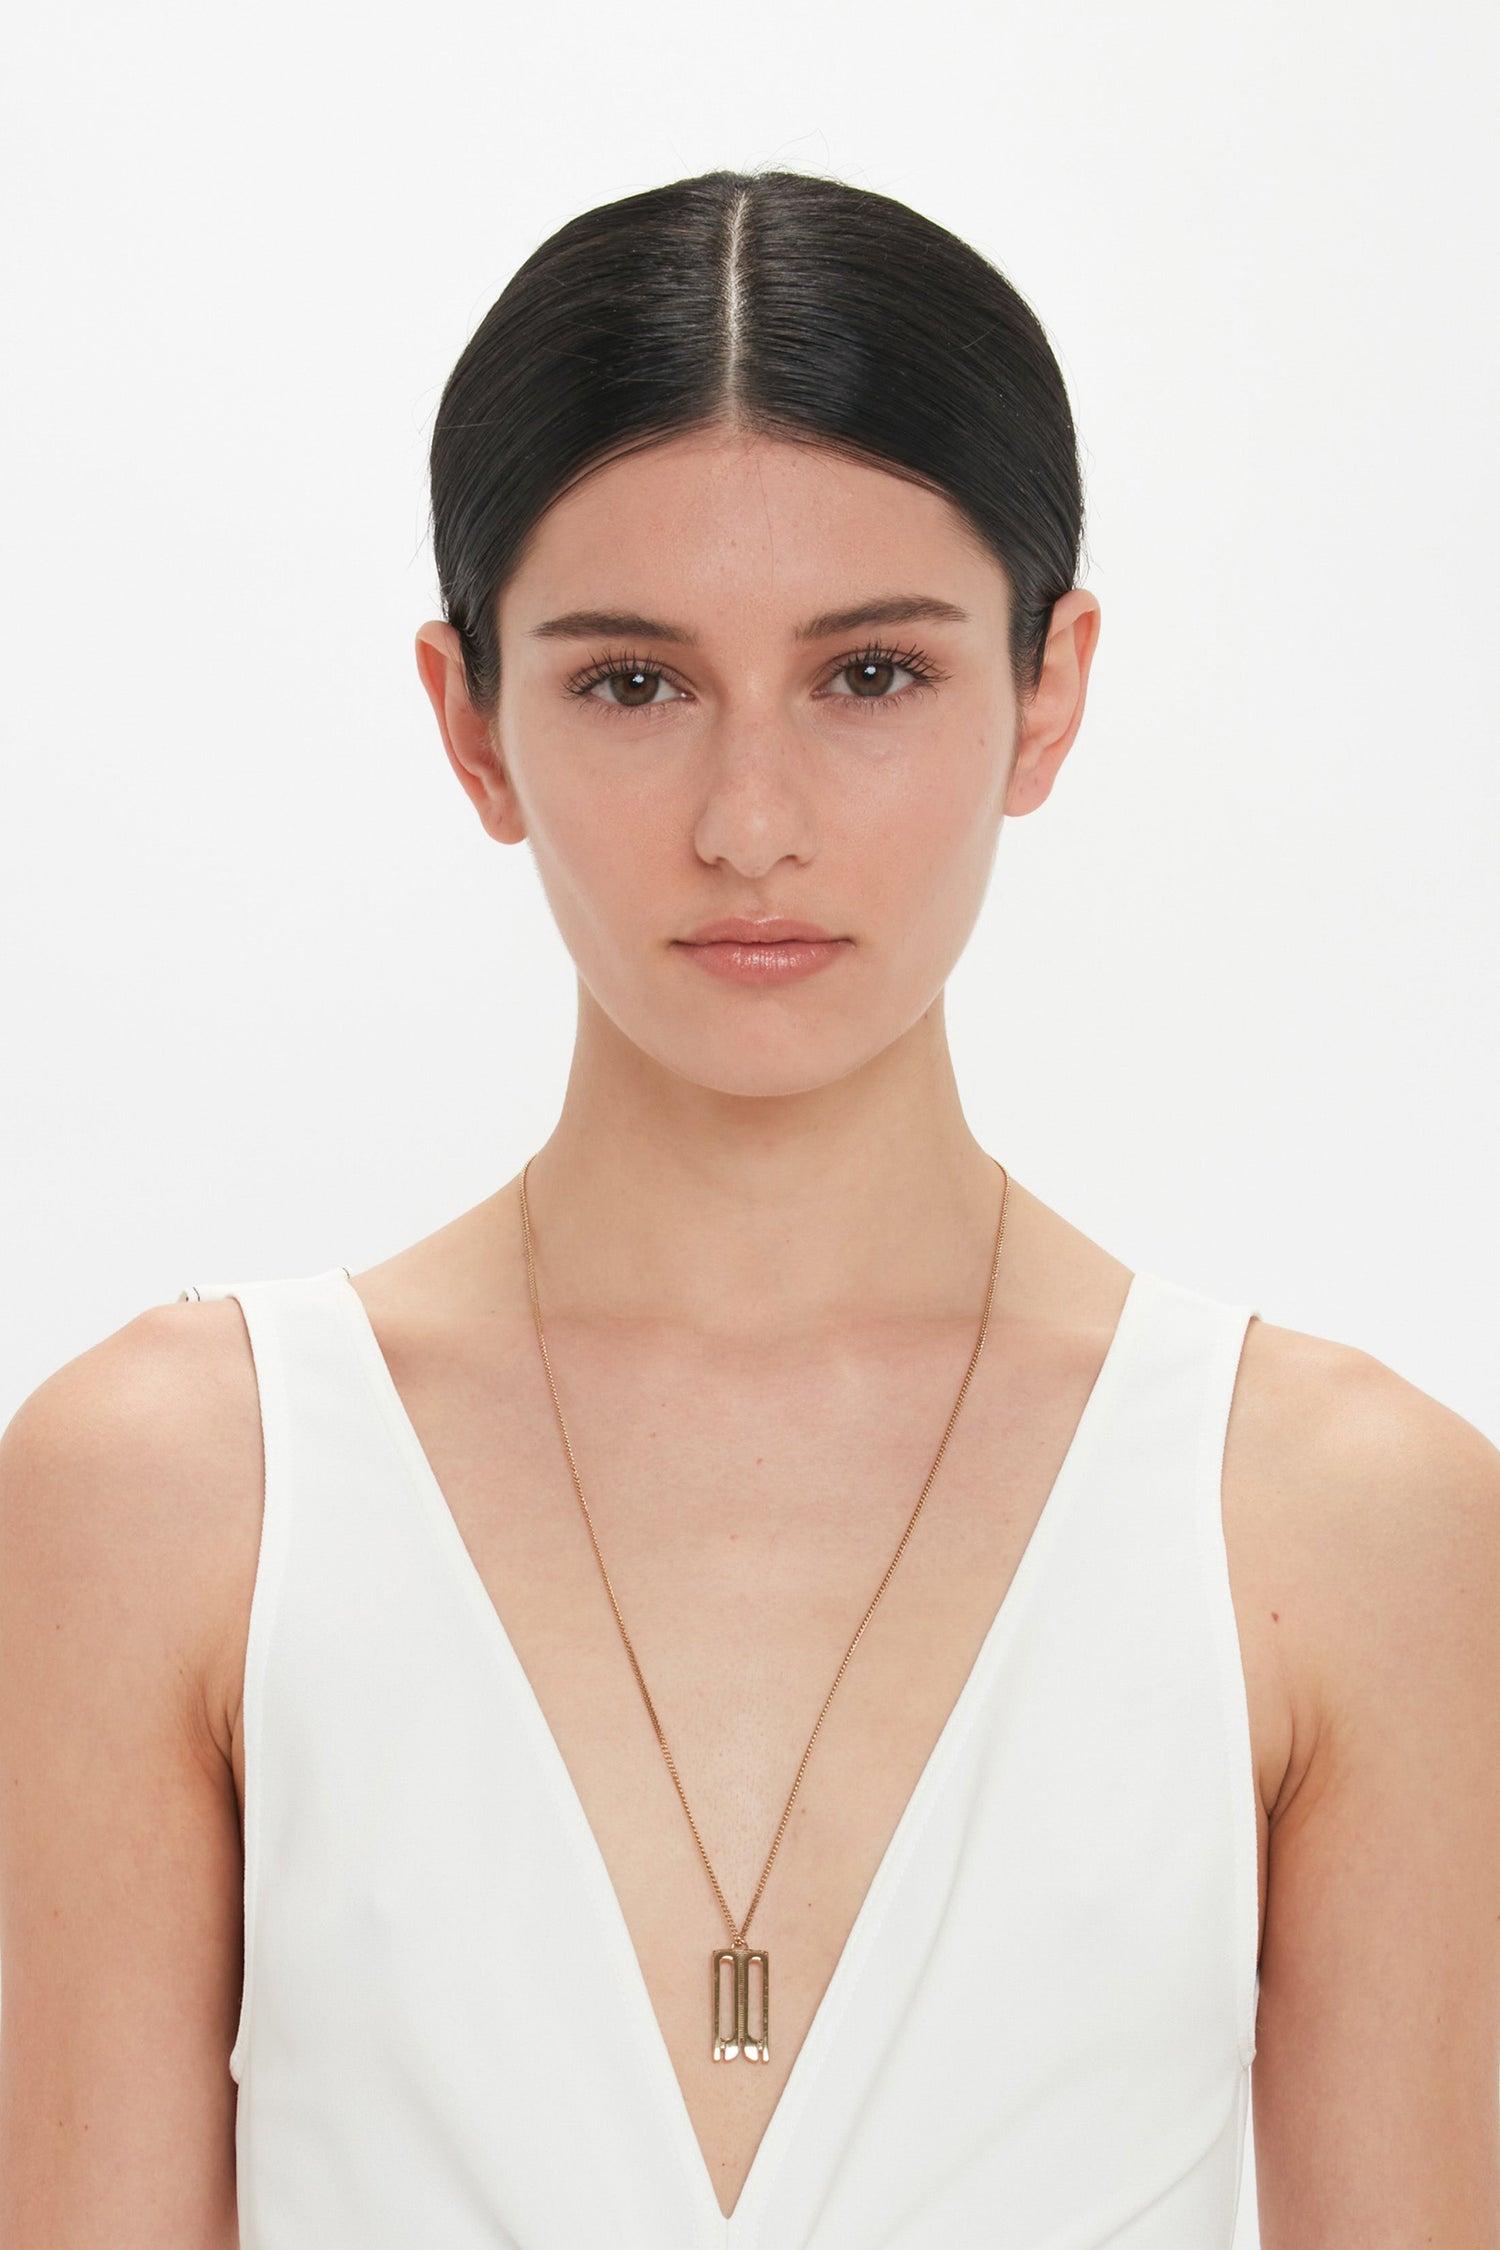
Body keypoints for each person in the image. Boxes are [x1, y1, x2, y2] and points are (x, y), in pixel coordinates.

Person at [1, 167, 1496, 2250]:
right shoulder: (172, 1496)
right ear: (471, 721)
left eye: (870, 674)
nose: (751, 822)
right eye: (635, 683)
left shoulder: (1346, 1525)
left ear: (1049, 687)